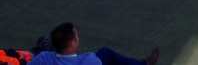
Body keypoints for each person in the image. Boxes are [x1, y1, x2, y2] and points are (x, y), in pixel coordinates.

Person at [27, 23, 159, 65]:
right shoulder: (89, 60)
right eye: (76, 35)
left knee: (106, 53)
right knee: (106, 53)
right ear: (73, 43)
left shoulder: (43, 57)